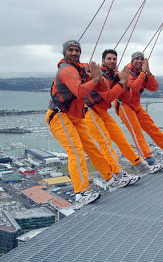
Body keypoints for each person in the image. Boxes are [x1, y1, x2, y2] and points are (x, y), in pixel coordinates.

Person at [46, 40, 129, 208]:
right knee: (75, 151)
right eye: (71, 50)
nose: (74, 52)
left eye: (77, 50)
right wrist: (96, 78)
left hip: (75, 116)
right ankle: (80, 192)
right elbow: (79, 91)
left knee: (91, 147)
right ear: (65, 52)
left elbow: (103, 88)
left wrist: (105, 78)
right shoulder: (66, 70)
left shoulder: (81, 67)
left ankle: (110, 177)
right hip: (59, 115)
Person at [85, 49, 163, 177]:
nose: (112, 61)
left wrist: (126, 83)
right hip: (89, 110)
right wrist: (123, 82)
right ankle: (117, 173)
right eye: (109, 59)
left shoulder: (115, 74)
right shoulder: (100, 75)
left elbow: (128, 96)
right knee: (104, 141)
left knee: (121, 139)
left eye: (114, 59)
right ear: (103, 61)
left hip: (102, 111)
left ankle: (141, 166)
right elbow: (109, 97)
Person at [114, 51, 163, 165]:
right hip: (124, 105)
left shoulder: (141, 72)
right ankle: (149, 160)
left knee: (152, 128)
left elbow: (154, 87)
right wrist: (143, 73)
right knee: (137, 132)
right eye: (136, 59)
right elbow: (133, 88)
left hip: (135, 105)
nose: (139, 61)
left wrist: (148, 72)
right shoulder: (126, 72)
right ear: (132, 61)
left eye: (141, 59)